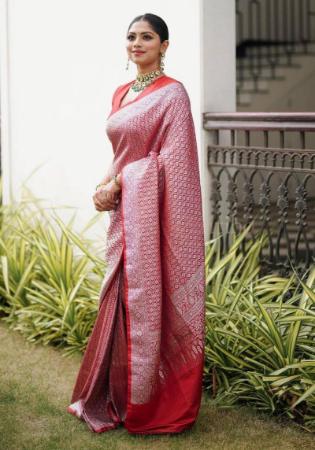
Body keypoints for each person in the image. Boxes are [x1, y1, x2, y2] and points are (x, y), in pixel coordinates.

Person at [66, 13, 205, 435]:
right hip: (124, 214)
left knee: (148, 299)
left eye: (147, 37)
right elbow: (124, 151)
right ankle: (117, 395)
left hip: (151, 216)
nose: (137, 43)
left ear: (164, 45)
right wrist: (103, 184)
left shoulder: (173, 94)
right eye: (131, 36)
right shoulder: (122, 92)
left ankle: (151, 402)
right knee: (121, 297)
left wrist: (122, 181)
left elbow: (173, 164)